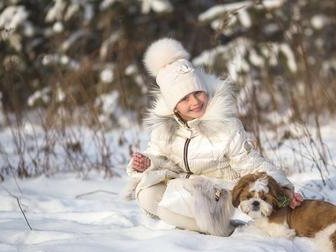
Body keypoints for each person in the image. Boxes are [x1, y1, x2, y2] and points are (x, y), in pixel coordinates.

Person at [126, 38, 303, 234]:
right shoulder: (164, 129)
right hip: (185, 189)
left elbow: (252, 163)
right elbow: (157, 155)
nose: (195, 102)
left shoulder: (226, 126)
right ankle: (204, 226)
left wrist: (284, 189)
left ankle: (222, 229)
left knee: (171, 208)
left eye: (198, 93)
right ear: (173, 105)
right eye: (184, 98)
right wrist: (146, 163)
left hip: (219, 194)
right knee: (147, 194)